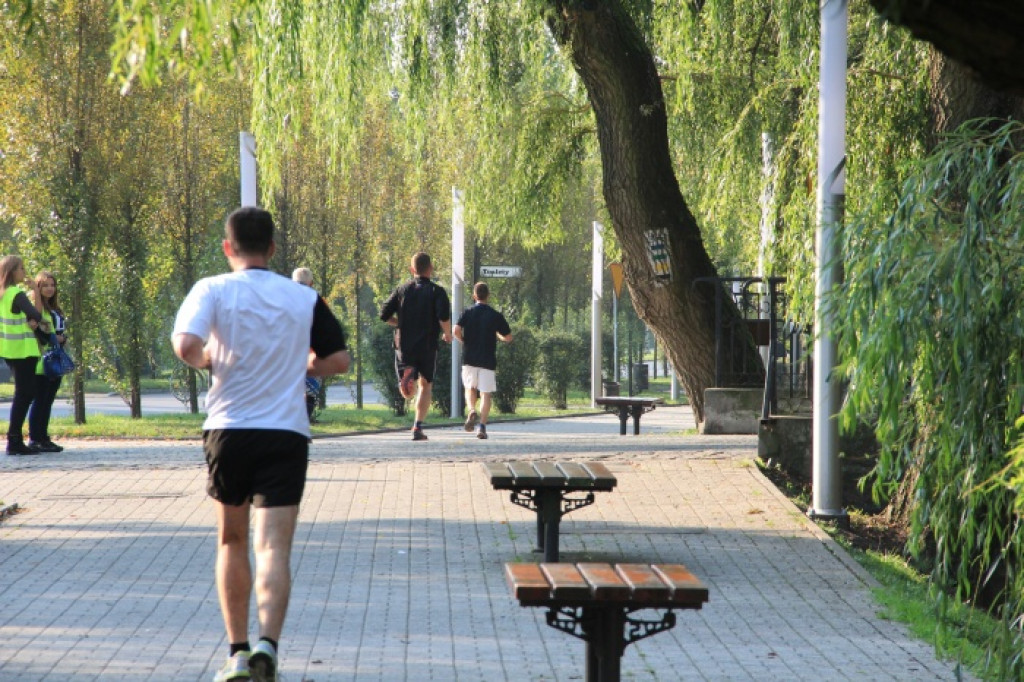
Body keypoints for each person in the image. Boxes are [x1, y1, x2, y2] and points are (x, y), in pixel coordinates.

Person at [172, 207, 349, 682]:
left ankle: (236, 653)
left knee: (232, 540)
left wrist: (211, 359)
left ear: (227, 247)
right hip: (286, 432)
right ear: (272, 248)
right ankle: (269, 644)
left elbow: (186, 345)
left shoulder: (210, 289)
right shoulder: (303, 297)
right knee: (273, 547)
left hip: (228, 431)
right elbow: (340, 359)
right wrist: (304, 366)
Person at [379, 252, 452, 441]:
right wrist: (447, 333)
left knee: (408, 395)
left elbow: (384, 314)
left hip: (404, 344)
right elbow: (443, 317)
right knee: (426, 385)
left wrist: (400, 323)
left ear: (412, 270)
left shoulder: (402, 290)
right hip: (427, 345)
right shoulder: (437, 291)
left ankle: (407, 374)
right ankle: (417, 427)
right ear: (431, 268)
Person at [453, 282, 512, 440]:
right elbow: (508, 337)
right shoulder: (495, 315)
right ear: (488, 296)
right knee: (486, 394)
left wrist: (463, 340)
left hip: (469, 357)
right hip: (488, 359)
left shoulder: (468, 312)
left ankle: (472, 409)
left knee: (470, 388)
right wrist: (497, 336)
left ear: (474, 296)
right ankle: (482, 427)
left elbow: (455, 330)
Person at [0, 255, 44, 455]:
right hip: (24, 351)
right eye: (21, 269)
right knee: (24, 394)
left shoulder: (3, 294)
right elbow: (35, 315)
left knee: (25, 393)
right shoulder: (16, 293)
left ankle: (14, 439)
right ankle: (14, 440)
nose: (24, 272)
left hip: (10, 350)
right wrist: (36, 292)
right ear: (12, 272)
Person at [27, 270, 67, 453]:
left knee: (48, 400)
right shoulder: (37, 307)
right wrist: (53, 338)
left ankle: (44, 437)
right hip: (42, 359)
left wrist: (62, 339)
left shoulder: (54, 308)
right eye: (45, 285)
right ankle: (35, 438)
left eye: (52, 285)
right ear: (38, 287)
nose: (50, 289)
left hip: (56, 357)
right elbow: (38, 330)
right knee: (40, 400)